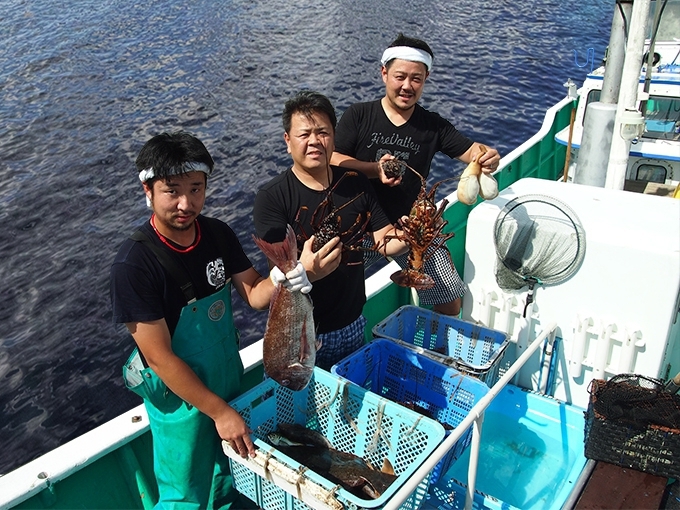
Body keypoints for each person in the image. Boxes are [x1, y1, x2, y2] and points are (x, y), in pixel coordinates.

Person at [110, 131, 312, 509]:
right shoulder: (134, 265)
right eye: (172, 191)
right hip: (180, 403)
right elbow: (159, 358)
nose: (186, 203)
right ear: (147, 191)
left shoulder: (217, 234)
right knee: (186, 494)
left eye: (196, 189)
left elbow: (252, 294)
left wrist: (282, 278)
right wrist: (219, 412)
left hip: (228, 381)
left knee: (229, 479)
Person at [331, 33, 502, 317]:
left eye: (416, 79)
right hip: (357, 226)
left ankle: (436, 348)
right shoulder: (359, 115)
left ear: (426, 79)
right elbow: (333, 158)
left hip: (410, 228)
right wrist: (374, 170)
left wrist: (488, 155)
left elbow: (473, 151)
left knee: (449, 296)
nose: (407, 86)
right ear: (384, 73)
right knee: (335, 297)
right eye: (400, 76)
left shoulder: (432, 126)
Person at [253, 90, 408, 370]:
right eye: (304, 134)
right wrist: (306, 270)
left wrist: (408, 238)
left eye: (323, 132)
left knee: (348, 404)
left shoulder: (356, 182)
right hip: (296, 331)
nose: (314, 141)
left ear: (334, 137)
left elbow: (383, 241)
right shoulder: (272, 197)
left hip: (350, 323)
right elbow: (275, 283)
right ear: (287, 141)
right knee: (294, 404)